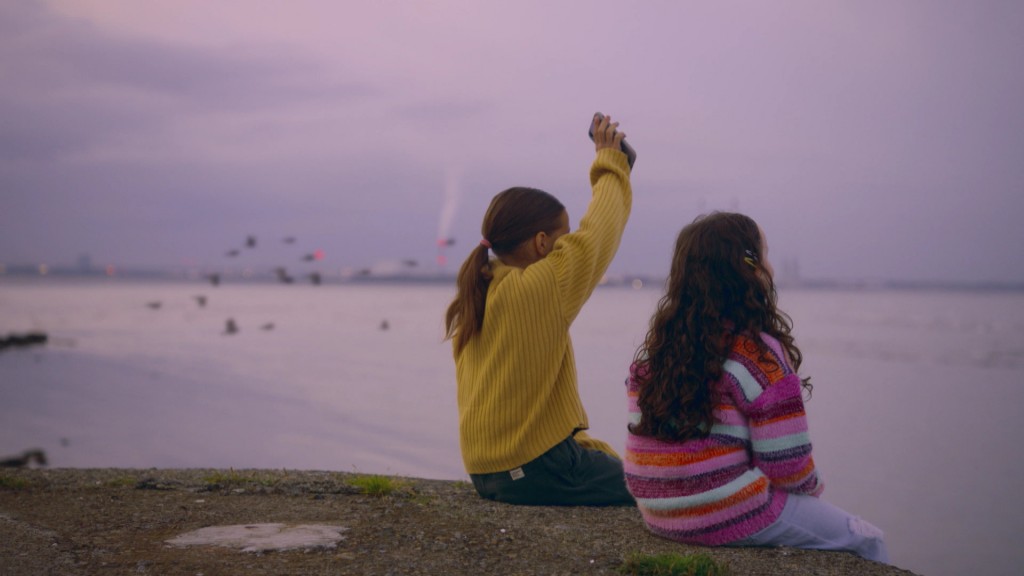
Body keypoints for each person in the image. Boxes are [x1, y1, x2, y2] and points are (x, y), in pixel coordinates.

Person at [624, 212, 889, 562]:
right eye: (765, 256)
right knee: (867, 539)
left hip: (658, 510)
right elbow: (787, 464)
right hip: (723, 510)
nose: (772, 268)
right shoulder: (757, 354)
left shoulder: (653, 353)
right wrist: (813, 490)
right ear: (748, 270)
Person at [444, 114, 635, 506]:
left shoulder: (478, 293)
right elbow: (598, 235)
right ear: (543, 243)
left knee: (608, 459)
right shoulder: (540, 286)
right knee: (657, 486)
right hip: (532, 469)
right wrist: (611, 163)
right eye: (562, 238)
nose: (567, 246)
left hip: (487, 473)